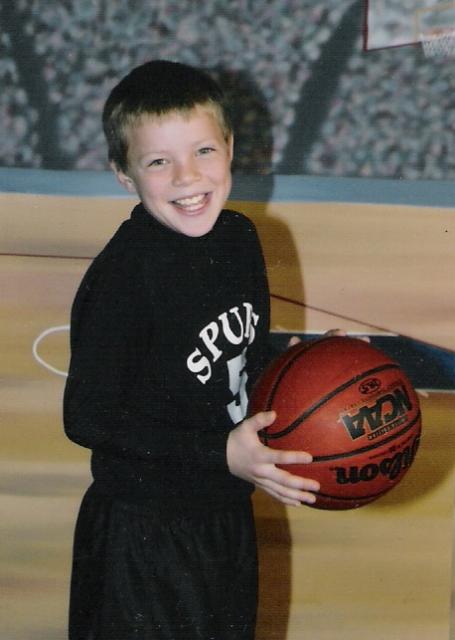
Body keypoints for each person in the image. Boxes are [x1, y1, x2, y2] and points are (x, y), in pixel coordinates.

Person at [63, 59, 320, 640]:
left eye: (203, 151)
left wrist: (303, 371)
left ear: (230, 147)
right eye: (158, 161)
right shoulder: (123, 278)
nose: (186, 177)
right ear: (124, 174)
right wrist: (217, 454)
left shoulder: (240, 240)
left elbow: (235, 360)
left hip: (224, 514)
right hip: (142, 534)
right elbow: (86, 417)